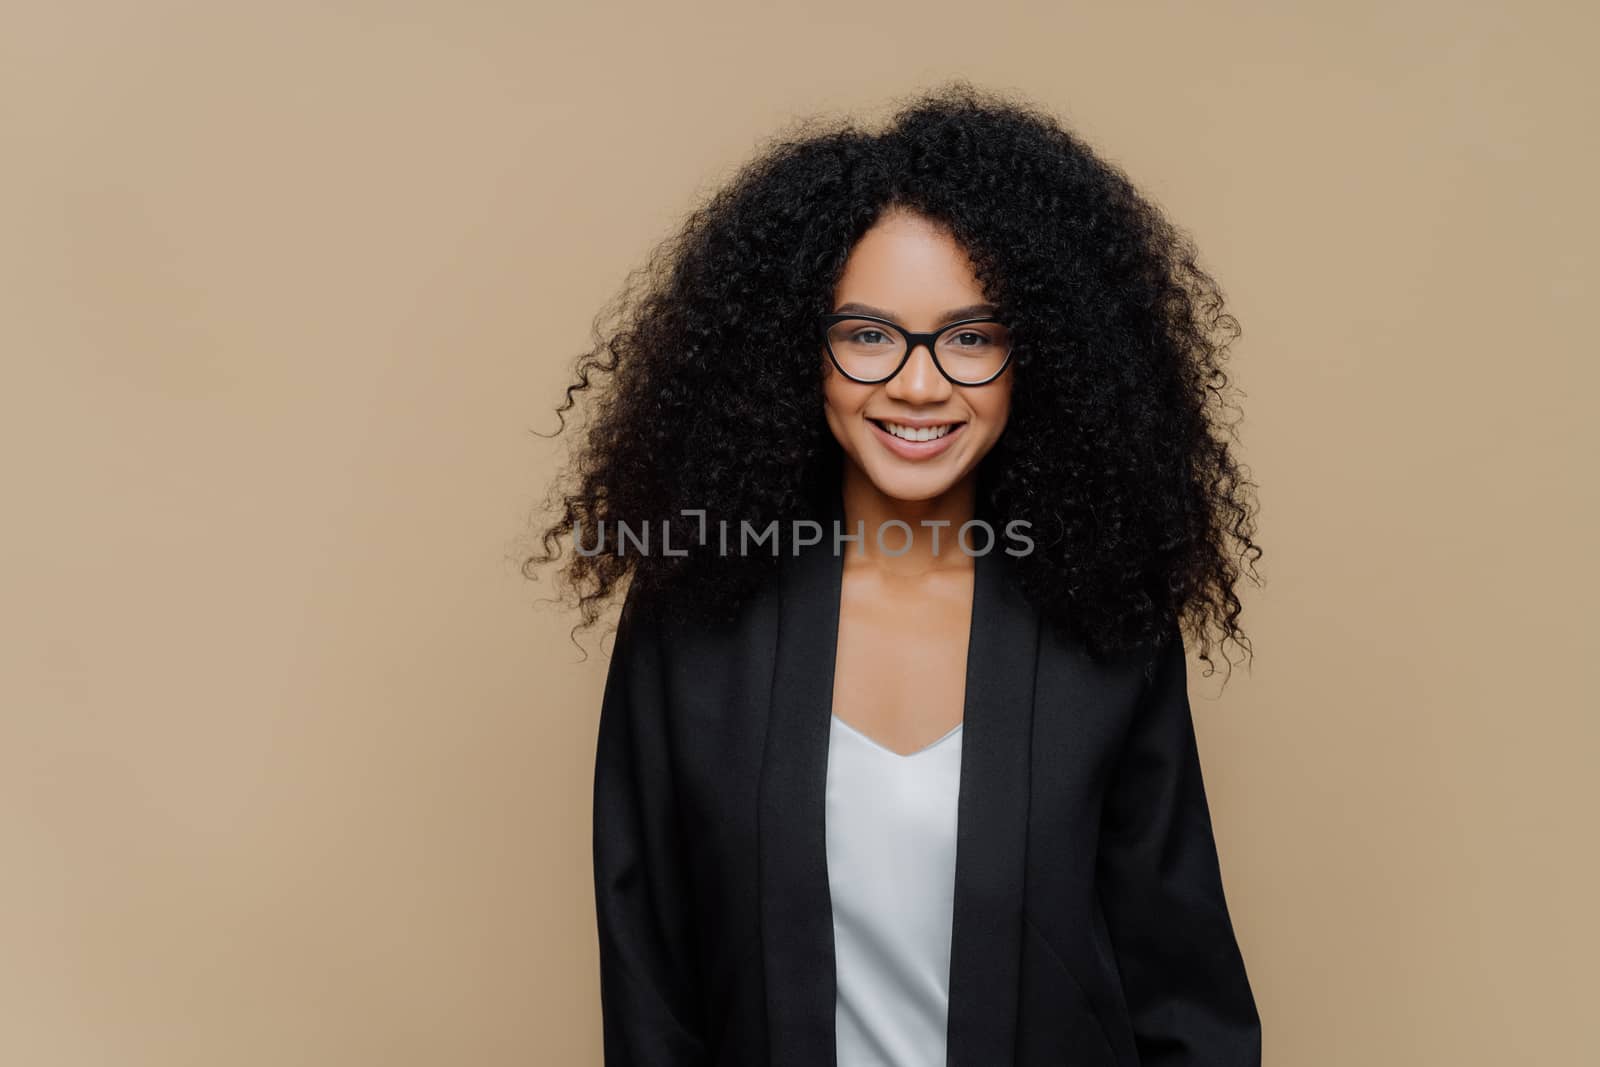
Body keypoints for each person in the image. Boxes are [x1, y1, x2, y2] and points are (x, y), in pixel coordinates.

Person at [525, 80, 1263, 1067]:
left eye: (970, 336)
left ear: (1032, 357)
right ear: (800, 351)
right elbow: (649, 990)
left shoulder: (1104, 624)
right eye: (868, 334)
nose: (918, 384)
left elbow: (1184, 994)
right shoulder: (694, 623)